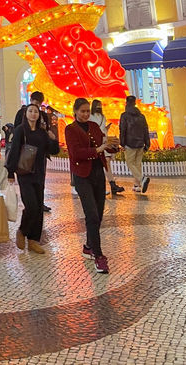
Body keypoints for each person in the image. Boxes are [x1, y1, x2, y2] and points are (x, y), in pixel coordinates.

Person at [65, 97, 116, 274]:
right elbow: (76, 153)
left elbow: (102, 143)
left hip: (97, 174)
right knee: (92, 215)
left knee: (99, 214)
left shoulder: (94, 126)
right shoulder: (70, 129)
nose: (86, 114)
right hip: (82, 176)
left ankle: (88, 245)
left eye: (87, 111)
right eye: (82, 111)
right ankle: (98, 255)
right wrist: (99, 150)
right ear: (75, 112)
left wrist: (112, 146)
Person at [5, 103, 59, 254]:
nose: (33, 114)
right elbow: (14, 151)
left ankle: (34, 240)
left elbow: (53, 150)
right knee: (32, 206)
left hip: (39, 173)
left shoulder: (42, 133)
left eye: (36, 112)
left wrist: (53, 139)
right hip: (25, 173)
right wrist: (10, 172)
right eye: (30, 111)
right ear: (26, 114)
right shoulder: (20, 130)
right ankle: (22, 231)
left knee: (39, 207)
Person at [90, 99, 124, 196]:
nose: (99, 107)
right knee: (103, 164)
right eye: (98, 105)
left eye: (100, 105)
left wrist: (106, 129)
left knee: (107, 163)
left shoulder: (102, 117)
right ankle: (106, 185)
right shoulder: (90, 117)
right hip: (97, 143)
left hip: (104, 140)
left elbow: (103, 129)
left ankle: (112, 184)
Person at [119, 95, 151, 193]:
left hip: (130, 143)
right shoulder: (141, 116)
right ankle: (137, 185)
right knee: (137, 164)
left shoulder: (124, 115)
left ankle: (142, 179)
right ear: (135, 103)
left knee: (130, 163)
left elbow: (122, 130)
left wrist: (122, 143)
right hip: (140, 143)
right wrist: (147, 143)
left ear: (126, 103)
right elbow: (146, 130)